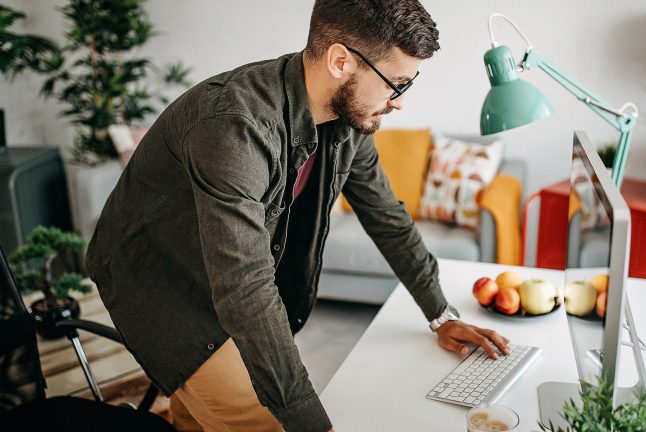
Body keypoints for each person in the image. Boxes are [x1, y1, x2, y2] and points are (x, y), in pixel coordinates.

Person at [86, 1, 510, 431]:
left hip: (225, 276)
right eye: (395, 85)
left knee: (202, 417)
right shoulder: (235, 127)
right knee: (267, 419)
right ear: (341, 60)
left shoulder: (348, 121)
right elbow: (244, 288)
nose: (399, 103)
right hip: (164, 283)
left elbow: (386, 215)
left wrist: (441, 313)